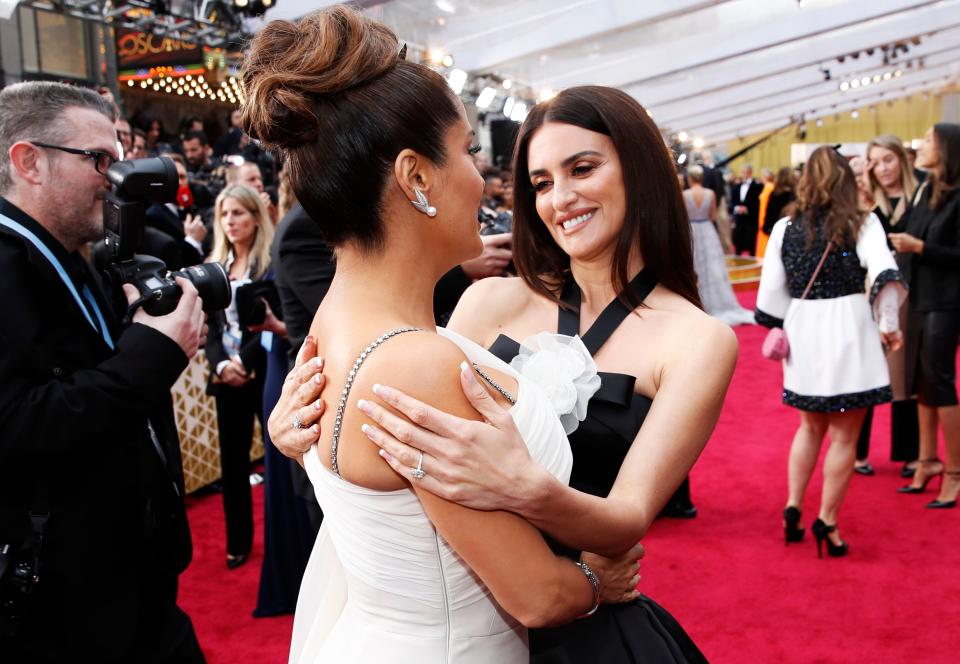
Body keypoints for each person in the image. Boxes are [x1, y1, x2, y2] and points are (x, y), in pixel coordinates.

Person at [269, 76, 737, 663]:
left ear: (640, 170)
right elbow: (396, 420)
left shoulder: (699, 340)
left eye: (583, 169)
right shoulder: (490, 300)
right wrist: (297, 432)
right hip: (472, 613)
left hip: (589, 625)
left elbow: (626, 522)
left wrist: (531, 491)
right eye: (541, 182)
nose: (559, 197)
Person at [0, 82, 206, 662]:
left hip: (129, 582)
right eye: (100, 160)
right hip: (58, 609)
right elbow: (14, 425)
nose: (118, 180)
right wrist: (153, 354)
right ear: (29, 162)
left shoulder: (72, 254)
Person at [756, 146, 906, 557]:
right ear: (845, 180)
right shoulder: (863, 221)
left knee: (809, 428)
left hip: (803, 328)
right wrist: (890, 325)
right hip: (851, 328)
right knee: (845, 436)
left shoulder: (786, 227)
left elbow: (771, 290)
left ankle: (792, 509)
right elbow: (884, 272)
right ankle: (828, 521)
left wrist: (782, 322)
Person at [205, 184, 277, 570]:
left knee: (278, 458)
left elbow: (270, 320)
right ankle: (238, 543)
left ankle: (286, 542)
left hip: (263, 372)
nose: (230, 222)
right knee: (232, 465)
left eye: (238, 213)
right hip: (225, 378)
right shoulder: (214, 266)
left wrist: (245, 362)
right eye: (225, 215)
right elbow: (212, 327)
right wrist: (221, 365)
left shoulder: (269, 263)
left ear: (255, 217)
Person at [889, 123, 960, 508]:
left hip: (946, 300)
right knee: (920, 380)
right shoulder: (924, 191)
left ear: (946, 149)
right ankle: (927, 459)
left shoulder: (957, 196)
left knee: (940, 380)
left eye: (929, 141)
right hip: (918, 297)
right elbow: (905, 231)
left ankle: (955, 471)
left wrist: (920, 247)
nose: (921, 145)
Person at [855, 136, 921, 477]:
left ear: (902, 160)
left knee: (904, 375)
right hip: (872, 295)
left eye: (888, 160)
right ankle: (857, 452)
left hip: (915, 296)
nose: (883, 168)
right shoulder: (865, 201)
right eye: (876, 162)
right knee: (866, 368)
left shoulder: (923, 195)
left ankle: (910, 454)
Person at [684, 164, 754, 325]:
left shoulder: (685, 194)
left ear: (690, 178)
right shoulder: (711, 193)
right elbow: (713, 216)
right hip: (708, 230)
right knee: (714, 267)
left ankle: (700, 302)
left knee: (696, 267)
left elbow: (684, 216)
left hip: (692, 230)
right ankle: (718, 301)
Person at [730, 164, 763, 255]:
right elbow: (733, 201)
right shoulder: (737, 186)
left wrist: (747, 209)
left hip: (751, 220)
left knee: (751, 243)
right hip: (739, 220)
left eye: (745, 172)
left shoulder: (758, 186)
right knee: (738, 242)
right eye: (742, 172)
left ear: (750, 173)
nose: (743, 174)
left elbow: (758, 203)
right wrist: (737, 208)